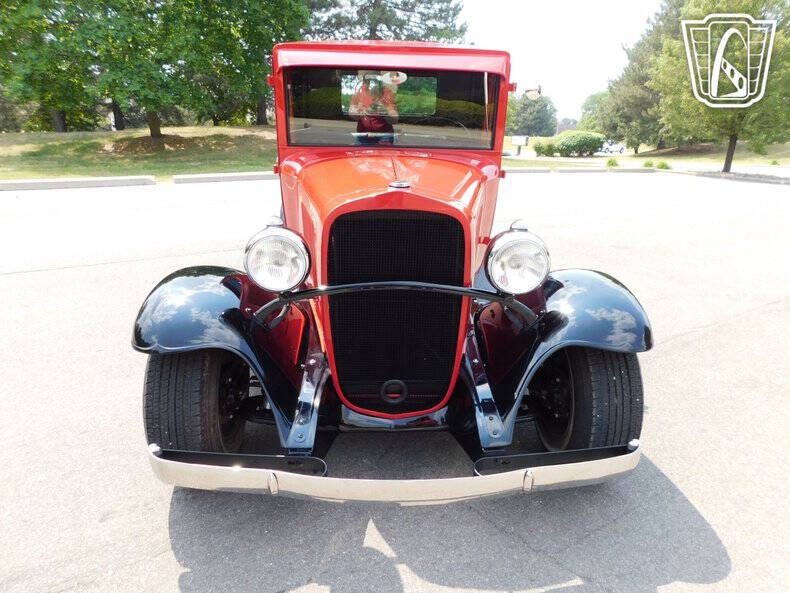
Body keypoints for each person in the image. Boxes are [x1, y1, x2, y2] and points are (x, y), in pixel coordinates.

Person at [349, 76, 398, 145]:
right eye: (367, 79)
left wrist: (384, 112)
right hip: (362, 135)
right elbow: (351, 111)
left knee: (383, 156)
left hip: (383, 136)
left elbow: (395, 119)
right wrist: (358, 113)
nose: (372, 81)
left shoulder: (387, 94)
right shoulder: (359, 92)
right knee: (361, 155)